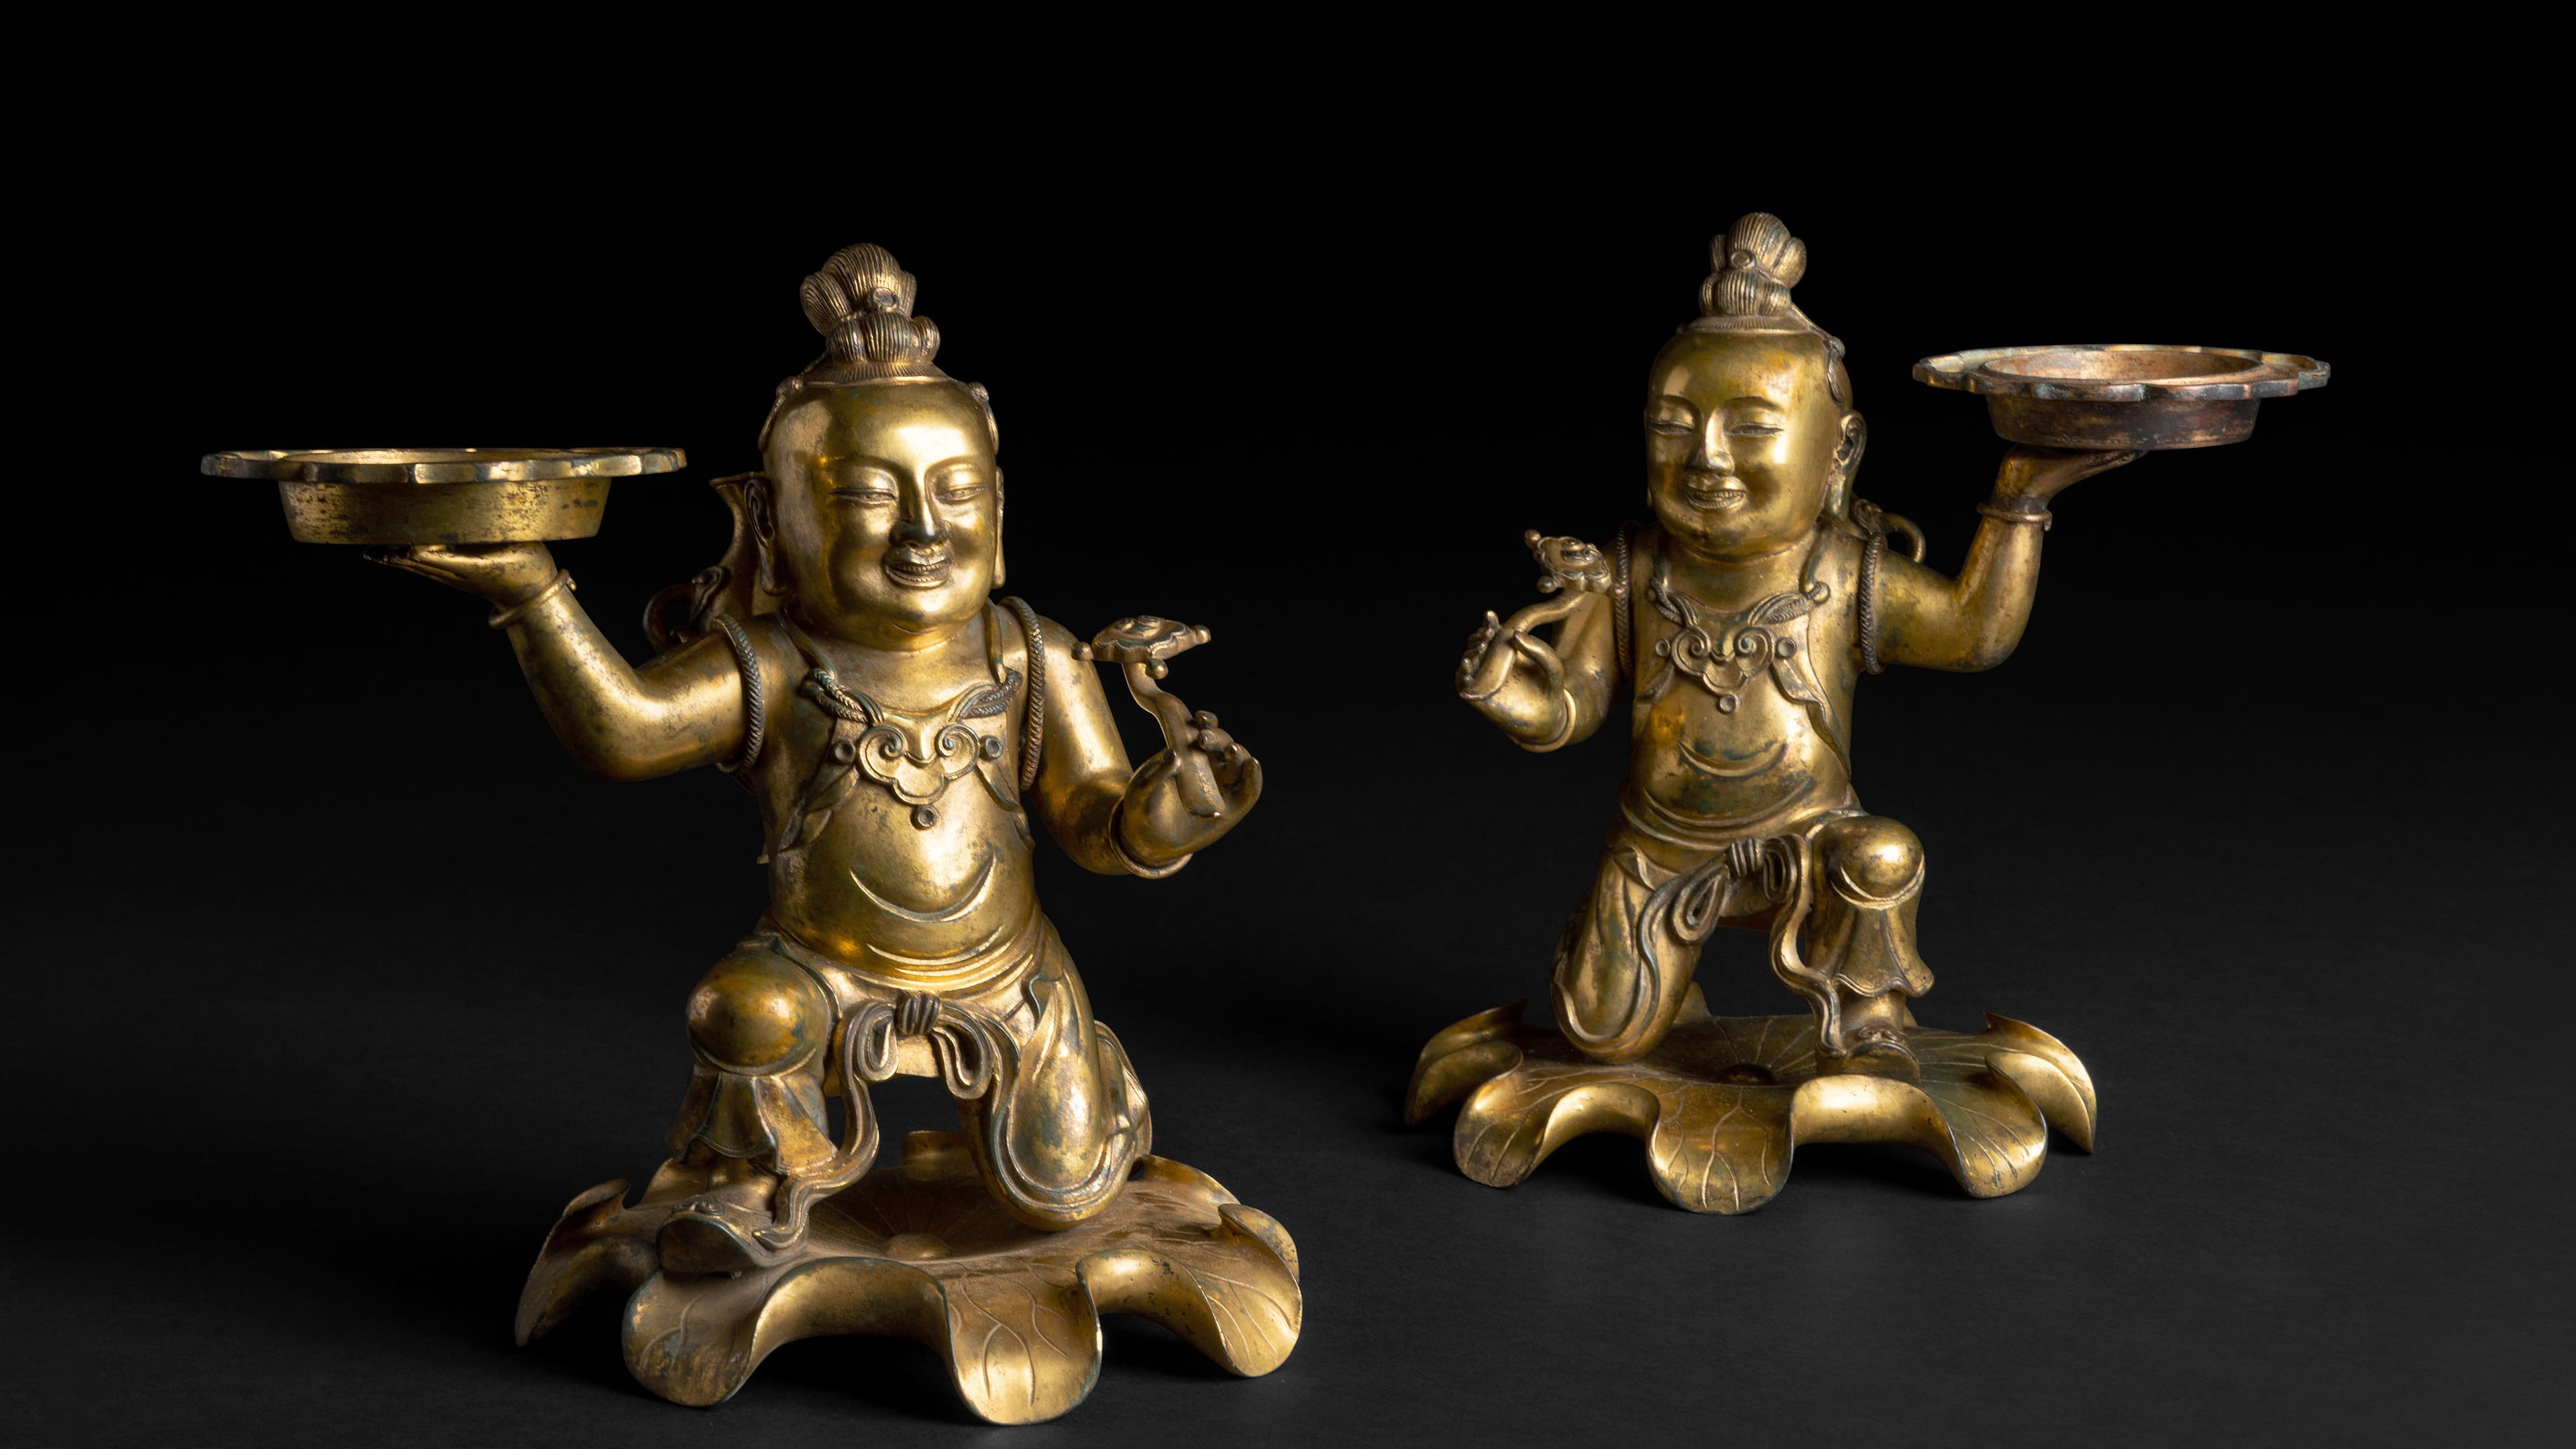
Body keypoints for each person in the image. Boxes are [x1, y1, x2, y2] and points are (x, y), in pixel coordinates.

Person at [377, 244, 1260, 1272]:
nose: (924, 530)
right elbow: (627, 730)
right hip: (820, 965)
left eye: (959, 493)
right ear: (775, 521)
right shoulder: (772, 662)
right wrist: (534, 596)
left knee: (1066, 1198)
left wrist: (1171, 810)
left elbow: (1095, 823)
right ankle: (748, 1187)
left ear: (1001, 510)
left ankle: (1079, 1115)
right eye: (869, 499)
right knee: (741, 1011)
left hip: (1013, 977)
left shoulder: (1033, 652)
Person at [1457, 213, 2133, 1080]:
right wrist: (1510, 693)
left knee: (1882, 855)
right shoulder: (1631, 569)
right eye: (1671, 426)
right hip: (1656, 847)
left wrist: (2019, 499)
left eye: (1749, 428)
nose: (1705, 457)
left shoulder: (1847, 573)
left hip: (1810, 840)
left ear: (1839, 452)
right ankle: (1659, 991)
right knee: (1600, 1038)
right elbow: (1573, 704)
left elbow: (1975, 635)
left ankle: (1870, 1018)